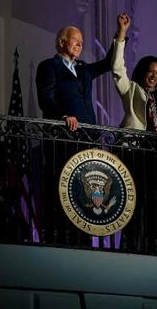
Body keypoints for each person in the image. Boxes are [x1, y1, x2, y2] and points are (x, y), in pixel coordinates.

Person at [35, 20, 120, 245]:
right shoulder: (49, 66)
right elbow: (45, 98)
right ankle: (58, 239)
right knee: (61, 188)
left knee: (83, 190)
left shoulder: (83, 69)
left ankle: (82, 240)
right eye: (76, 40)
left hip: (87, 138)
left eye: (82, 42)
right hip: (62, 138)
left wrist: (120, 33)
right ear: (62, 42)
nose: (80, 45)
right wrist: (63, 115)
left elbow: (107, 63)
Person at [111, 12, 157, 252]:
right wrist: (122, 34)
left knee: (156, 204)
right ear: (142, 71)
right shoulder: (131, 90)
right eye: (151, 71)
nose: (154, 76)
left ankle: (152, 246)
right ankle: (128, 246)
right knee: (134, 202)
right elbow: (117, 69)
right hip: (135, 154)